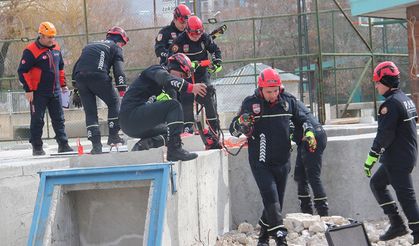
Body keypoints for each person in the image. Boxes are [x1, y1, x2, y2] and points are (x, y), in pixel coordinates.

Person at [229, 68, 315, 246]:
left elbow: (304, 119)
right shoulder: (250, 103)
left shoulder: (288, 101)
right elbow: (233, 129)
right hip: (260, 162)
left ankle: (262, 238)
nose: (273, 95)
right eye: (269, 91)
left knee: (275, 203)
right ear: (260, 89)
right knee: (271, 199)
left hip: (283, 161)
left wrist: (309, 132)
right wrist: (241, 123)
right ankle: (280, 236)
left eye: (276, 90)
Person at [363, 61, 419, 244]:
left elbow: (384, 135)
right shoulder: (405, 98)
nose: (376, 85)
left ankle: (417, 231)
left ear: (386, 81)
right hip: (404, 155)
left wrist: (371, 157)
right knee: (377, 184)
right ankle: (396, 224)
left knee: (406, 197)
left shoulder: (391, 104)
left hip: (397, 159)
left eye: (378, 82)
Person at [119, 53, 207, 161]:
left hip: (136, 122)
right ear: (173, 68)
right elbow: (166, 79)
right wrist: (190, 87)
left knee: (171, 130)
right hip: (130, 116)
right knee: (174, 106)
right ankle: (175, 151)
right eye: (181, 75)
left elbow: (174, 115)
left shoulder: (169, 89)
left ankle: (142, 146)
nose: (181, 78)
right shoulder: (156, 70)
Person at [17, 21, 73, 156]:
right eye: (49, 37)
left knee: (59, 119)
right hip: (38, 93)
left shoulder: (56, 48)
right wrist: (28, 90)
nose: (52, 40)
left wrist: (63, 84)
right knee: (38, 120)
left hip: (56, 91)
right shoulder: (30, 51)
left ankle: (63, 144)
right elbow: (22, 71)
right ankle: (37, 147)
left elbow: (60, 68)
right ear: (41, 36)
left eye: (53, 37)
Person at [72, 26, 128, 154]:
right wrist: (122, 90)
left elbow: (77, 65)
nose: (122, 46)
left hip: (80, 77)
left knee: (90, 112)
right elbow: (119, 71)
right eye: (123, 44)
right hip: (98, 76)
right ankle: (113, 136)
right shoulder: (115, 47)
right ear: (120, 40)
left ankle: (96, 145)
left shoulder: (90, 45)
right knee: (114, 103)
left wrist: (75, 89)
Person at [171, 16, 222, 149]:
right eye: (193, 34)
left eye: (198, 33)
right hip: (186, 75)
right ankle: (188, 128)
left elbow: (215, 50)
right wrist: (186, 65)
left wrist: (217, 62)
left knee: (208, 98)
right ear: (188, 31)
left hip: (202, 74)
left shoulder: (205, 37)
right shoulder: (179, 41)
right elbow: (172, 60)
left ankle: (213, 130)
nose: (196, 37)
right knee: (186, 98)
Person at [291, 101, 329, 216]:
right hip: (309, 137)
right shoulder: (291, 101)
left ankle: (323, 215)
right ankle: (306, 213)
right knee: (300, 176)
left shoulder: (285, 103)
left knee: (313, 177)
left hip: (311, 136)